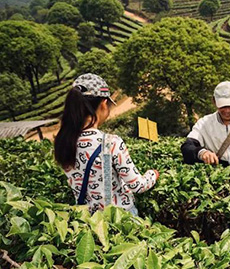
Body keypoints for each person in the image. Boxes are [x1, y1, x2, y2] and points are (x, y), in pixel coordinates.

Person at [54, 73, 158, 215]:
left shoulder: (64, 142)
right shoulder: (111, 143)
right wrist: (152, 174)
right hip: (119, 218)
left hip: (89, 220)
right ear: (103, 104)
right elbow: (137, 185)